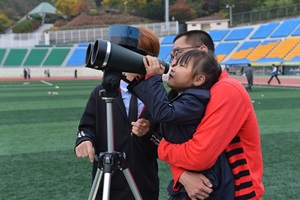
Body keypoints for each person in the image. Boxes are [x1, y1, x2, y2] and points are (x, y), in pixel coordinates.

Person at [157, 30, 264, 200]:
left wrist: (161, 147)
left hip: (238, 192)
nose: (173, 61)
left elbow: (198, 156)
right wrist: (181, 173)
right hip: (214, 189)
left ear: (202, 51)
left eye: (178, 53)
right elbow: (183, 143)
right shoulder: (196, 92)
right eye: (172, 56)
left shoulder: (226, 89)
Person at [129, 50, 234, 199]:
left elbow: (164, 112)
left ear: (198, 79)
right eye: (175, 63)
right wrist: (148, 133)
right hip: (191, 177)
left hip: (207, 183)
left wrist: (153, 77)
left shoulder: (195, 101)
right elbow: (161, 119)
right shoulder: (180, 98)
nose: (173, 66)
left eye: (181, 65)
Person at [74, 25, 161, 200]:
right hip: (107, 182)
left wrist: (147, 134)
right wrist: (84, 140)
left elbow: (164, 140)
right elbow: (86, 126)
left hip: (144, 181)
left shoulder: (159, 96)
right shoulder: (101, 92)